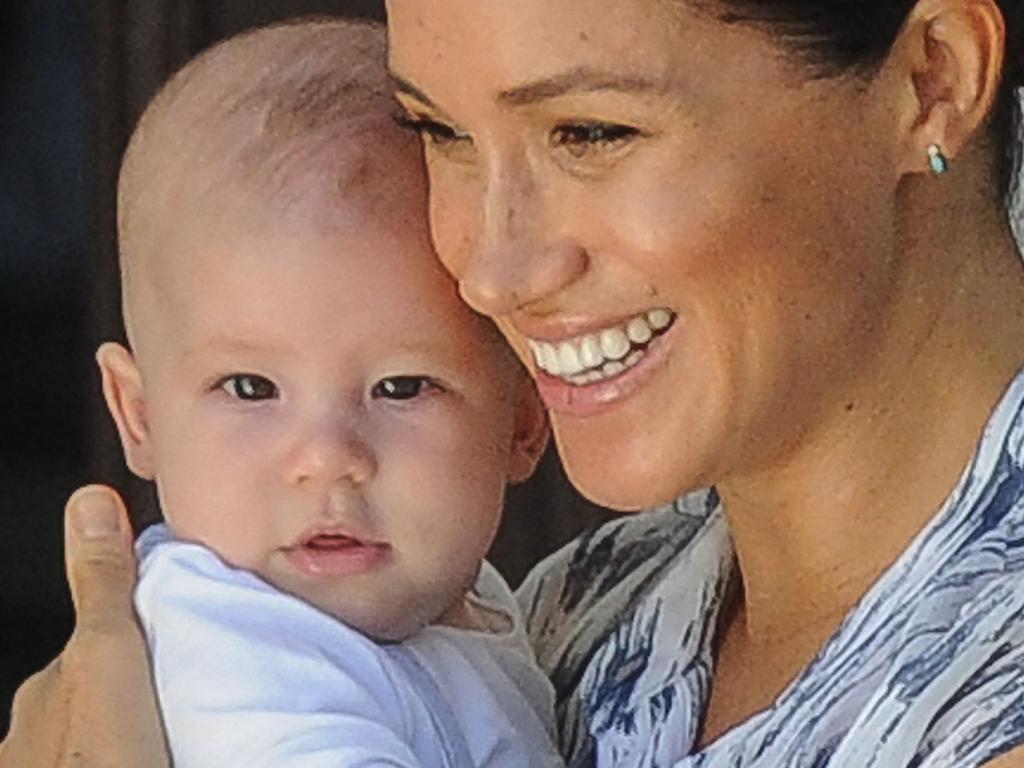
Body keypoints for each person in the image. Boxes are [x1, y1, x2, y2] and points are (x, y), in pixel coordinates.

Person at [5, 0, 1024, 765]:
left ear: (930, 80)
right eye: (440, 133)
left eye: (590, 133)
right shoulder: (573, 608)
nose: (488, 269)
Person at [85, 18, 562, 768]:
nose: (328, 458)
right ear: (140, 416)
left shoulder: (470, 600)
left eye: (401, 388)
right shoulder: (230, 641)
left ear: (524, 420)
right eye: (250, 387)